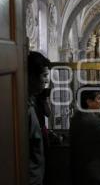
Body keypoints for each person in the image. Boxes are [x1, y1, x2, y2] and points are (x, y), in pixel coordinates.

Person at [28, 51, 51, 185]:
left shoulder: (33, 100)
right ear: (31, 77)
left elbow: (48, 113)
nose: (47, 80)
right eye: (44, 75)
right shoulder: (23, 108)